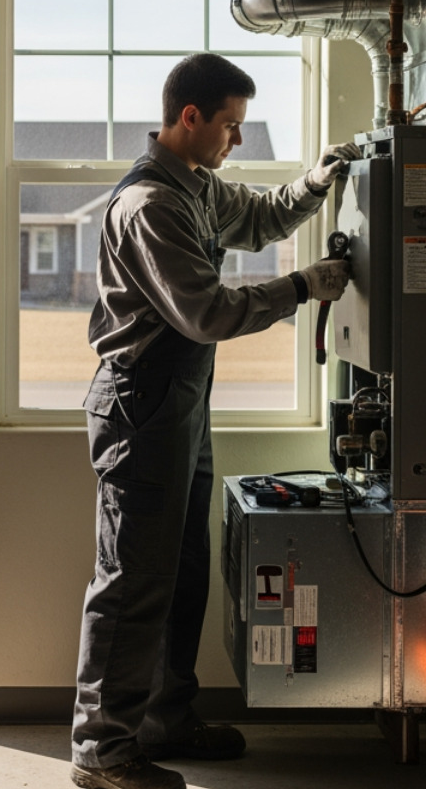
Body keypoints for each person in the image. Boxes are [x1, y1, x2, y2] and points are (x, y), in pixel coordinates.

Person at [70, 53, 358, 789]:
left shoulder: (194, 188)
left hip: (179, 406)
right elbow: (205, 312)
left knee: (182, 571)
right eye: (229, 125)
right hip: (143, 403)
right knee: (133, 580)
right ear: (189, 117)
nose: (236, 139)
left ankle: (164, 720)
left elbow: (258, 217)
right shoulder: (150, 205)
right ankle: (103, 751)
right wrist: (301, 287)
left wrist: (314, 184)